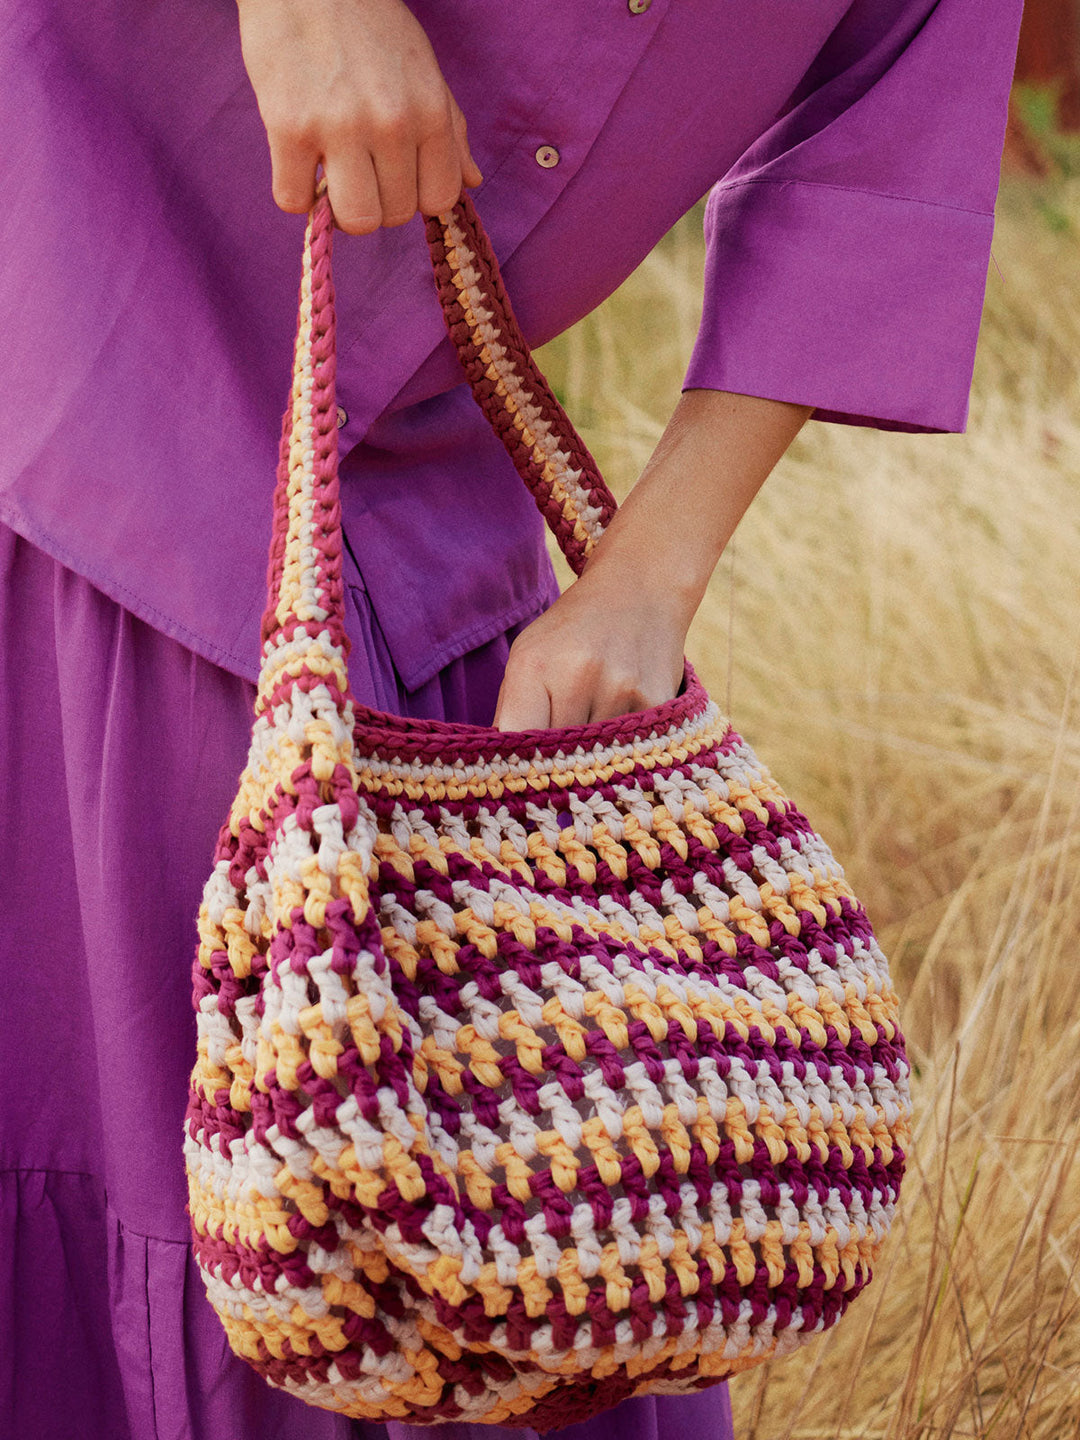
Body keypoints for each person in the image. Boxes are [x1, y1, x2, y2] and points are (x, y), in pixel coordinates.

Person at [0, 1, 1022, 1437]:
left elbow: (880, 153)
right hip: (68, 392)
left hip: (425, 524)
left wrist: (647, 578)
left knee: (497, 1217)